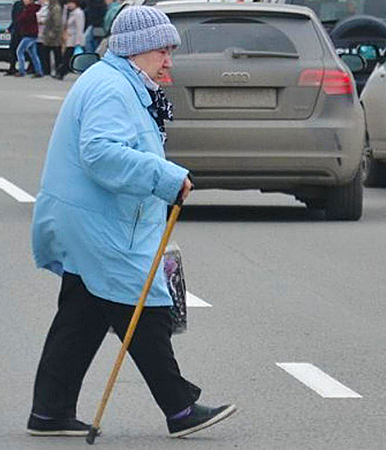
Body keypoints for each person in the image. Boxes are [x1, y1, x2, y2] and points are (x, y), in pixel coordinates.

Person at [28, 5, 237, 439]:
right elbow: (100, 152)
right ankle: (179, 409)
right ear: (136, 50)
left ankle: (49, 412)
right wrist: (166, 176)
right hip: (101, 223)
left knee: (82, 313)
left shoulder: (120, 82)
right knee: (146, 310)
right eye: (162, 51)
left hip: (94, 217)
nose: (168, 61)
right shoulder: (111, 89)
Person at [53, 0, 84, 80]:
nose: (69, 5)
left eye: (71, 3)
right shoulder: (70, 13)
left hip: (74, 39)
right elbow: (64, 23)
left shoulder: (78, 13)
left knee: (67, 57)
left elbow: (79, 28)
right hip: (68, 38)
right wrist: (65, 11)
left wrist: (78, 41)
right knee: (66, 57)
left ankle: (61, 72)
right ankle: (61, 72)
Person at [14, 0, 44, 77]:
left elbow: (23, 18)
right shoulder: (33, 8)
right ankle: (39, 71)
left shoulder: (30, 9)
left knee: (19, 51)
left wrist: (20, 18)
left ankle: (21, 71)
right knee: (33, 54)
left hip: (29, 34)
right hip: (32, 33)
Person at [36, 0, 62, 76]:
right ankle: (48, 70)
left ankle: (56, 70)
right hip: (49, 34)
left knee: (55, 53)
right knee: (47, 52)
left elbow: (57, 22)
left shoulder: (55, 8)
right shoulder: (51, 7)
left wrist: (53, 32)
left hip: (53, 35)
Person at [4, 0, 25, 76]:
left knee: (20, 50)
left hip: (22, 31)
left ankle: (18, 68)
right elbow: (15, 18)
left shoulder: (24, 5)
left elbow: (17, 18)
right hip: (17, 30)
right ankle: (12, 67)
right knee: (14, 49)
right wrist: (10, 28)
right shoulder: (17, 4)